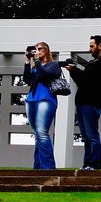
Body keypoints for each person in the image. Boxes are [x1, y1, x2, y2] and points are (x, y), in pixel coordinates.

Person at [63, 34, 101, 171]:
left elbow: (88, 80)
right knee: (85, 137)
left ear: (100, 46)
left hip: (91, 104)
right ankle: (87, 164)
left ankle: (95, 165)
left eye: (92, 46)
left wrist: (74, 70)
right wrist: (73, 71)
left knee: (92, 136)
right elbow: (82, 81)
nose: (90, 49)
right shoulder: (93, 63)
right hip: (81, 104)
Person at [21, 41, 65, 171]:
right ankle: (38, 166)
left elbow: (45, 75)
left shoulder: (54, 65)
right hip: (32, 100)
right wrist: (27, 62)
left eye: (39, 49)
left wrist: (37, 62)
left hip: (46, 99)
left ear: (46, 50)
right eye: (34, 49)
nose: (37, 51)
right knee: (37, 134)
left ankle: (48, 167)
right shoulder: (35, 66)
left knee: (42, 132)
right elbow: (27, 80)